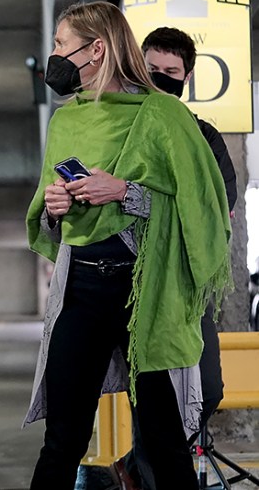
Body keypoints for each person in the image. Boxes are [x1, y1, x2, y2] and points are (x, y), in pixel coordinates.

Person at [24, 2, 231, 490]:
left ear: (96, 49)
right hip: (80, 290)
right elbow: (50, 223)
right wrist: (55, 206)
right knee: (63, 437)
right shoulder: (66, 120)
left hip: (147, 295)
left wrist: (124, 191)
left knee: (163, 437)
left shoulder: (164, 116)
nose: (54, 55)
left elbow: (200, 208)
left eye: (60, 44)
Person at [100, 26, 239, 490]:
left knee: (208, 390)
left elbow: (217, 210)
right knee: (152, 397)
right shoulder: (119, 133)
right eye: (152, 70)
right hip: (132, 286)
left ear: (188, 77)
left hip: (186, 289)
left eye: (171, 73)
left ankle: (137, 469)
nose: (161, 79)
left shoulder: (203, 137)